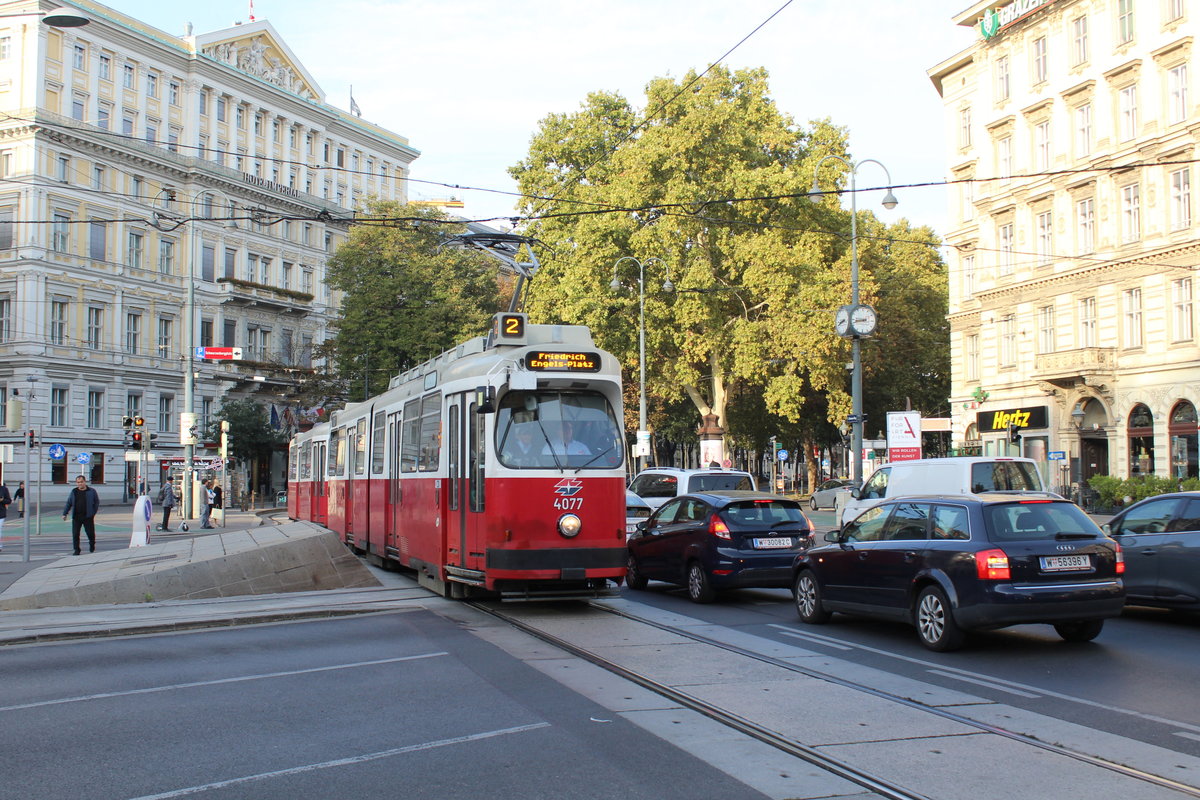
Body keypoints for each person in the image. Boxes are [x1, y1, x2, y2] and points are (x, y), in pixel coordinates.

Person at [62, 475, 100, 555]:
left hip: (88, 516)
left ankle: (92, 544)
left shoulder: (91, 491)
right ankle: (76, 550)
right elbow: (69, 503)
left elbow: (96, 502)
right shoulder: (74, 491)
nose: (80, 484)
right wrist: (65, 513)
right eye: (78, 482)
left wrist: (93, 512)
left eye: (81, 482)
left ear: (85, 482)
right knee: (75, 534)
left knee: (90, 533)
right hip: (76, 517)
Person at [0, 481, 10, 552]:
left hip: (1, 513)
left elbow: (9, 500)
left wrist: (2, 500)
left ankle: (0, 546)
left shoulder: (4, 489)